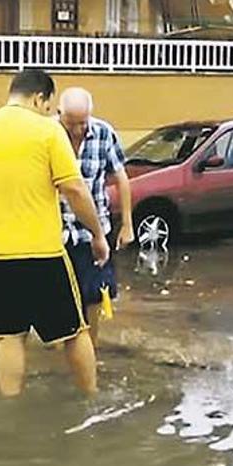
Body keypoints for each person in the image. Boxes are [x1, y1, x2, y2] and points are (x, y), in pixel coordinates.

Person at [0, 69, 110, 397]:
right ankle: (91, 398)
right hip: (43, 255)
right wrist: (98, 234)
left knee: (9, 336)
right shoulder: (48, 133)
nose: (48, 113)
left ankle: (10, 406)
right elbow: (74, 189)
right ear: (39, 98)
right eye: (48, 106)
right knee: (74, 331)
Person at [57, 87, 134, 349]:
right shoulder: (48, 136)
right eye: (71, 124)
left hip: (93, 232)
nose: (78, 130)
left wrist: (127, 224)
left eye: (82, 123)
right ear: (59, 115)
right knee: (59, 299)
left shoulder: (103, 132)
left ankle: (90, 352)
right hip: (54, 233)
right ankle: (62, 352)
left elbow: (121, 177)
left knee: (94, 297)